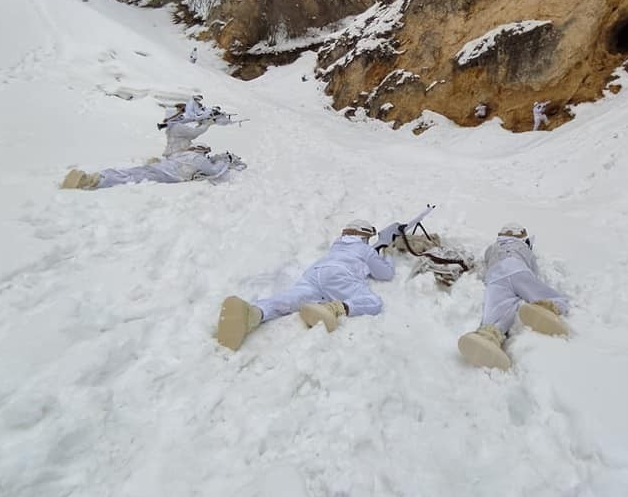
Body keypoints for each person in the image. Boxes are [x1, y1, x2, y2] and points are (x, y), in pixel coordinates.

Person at [215, 219, 399, 351]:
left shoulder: (336, 246)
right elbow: (385, 274)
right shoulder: (365, 249)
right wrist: (388, 254)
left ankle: (254, 313)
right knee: (372, 302)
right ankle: (334, 308)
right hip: (339, 274)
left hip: (314, 273)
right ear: (365, 236)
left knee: (290, 299)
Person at [458, 223, 569, 370]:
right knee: (535, 289)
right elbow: (532, 268)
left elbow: (486, 260)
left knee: (496, 306)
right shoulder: (523, 248)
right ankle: (549, 306)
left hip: (496, 276)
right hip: (517, 268)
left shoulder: (491, 248)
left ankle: (489, 334)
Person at [61, 144, 244, 190]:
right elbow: (214, 171)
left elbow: (212, 171)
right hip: (166, 172)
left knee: (133, 175)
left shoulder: (190, 156)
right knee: (133, 175)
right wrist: (225, 161)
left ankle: (94, 179)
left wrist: (223, 161)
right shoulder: (194, 157)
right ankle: (95, 179)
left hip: (165, 171)